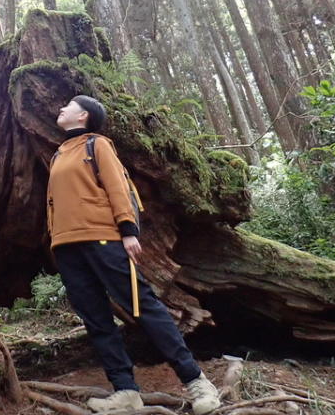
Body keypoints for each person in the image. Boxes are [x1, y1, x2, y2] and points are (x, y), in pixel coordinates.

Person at [47, 95, 220, 415]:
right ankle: (126, 391)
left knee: (144, 307)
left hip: (103, 238)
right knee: (96, 319)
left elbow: (117, 186)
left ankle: (197, 382)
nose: (61, 109)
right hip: (68, 247)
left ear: (83, 115)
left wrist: (128, 231)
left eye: (67, 106)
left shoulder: (96, 144)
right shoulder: (60, 153)